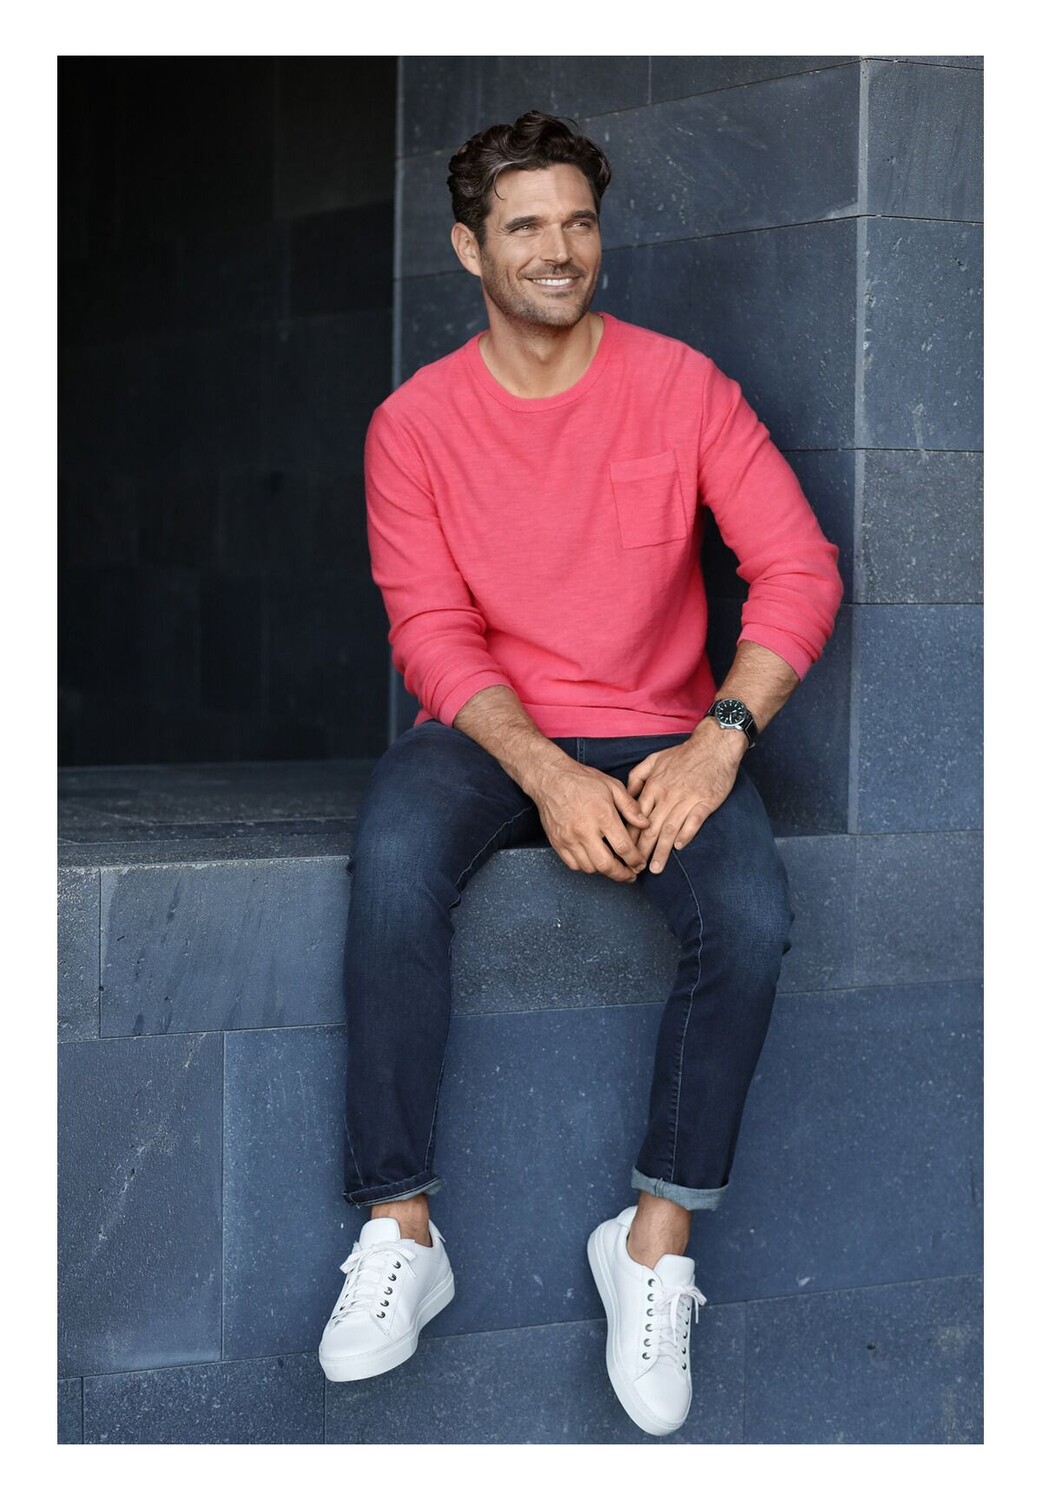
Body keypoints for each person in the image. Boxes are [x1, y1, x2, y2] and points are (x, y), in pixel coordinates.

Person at [318, 110, 842, 1438]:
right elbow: (430, 629)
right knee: (393, 860)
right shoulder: (414, 424)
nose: (558, 251)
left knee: (751, 919)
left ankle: (653, 1241)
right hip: (487, 734)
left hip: (667, 729)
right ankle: (401, 1230)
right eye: (525, 227)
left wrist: (720, 736)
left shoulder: (683, 386)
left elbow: (797, 569)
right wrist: (547, 774)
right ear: (469, 248)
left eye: (578, 222)